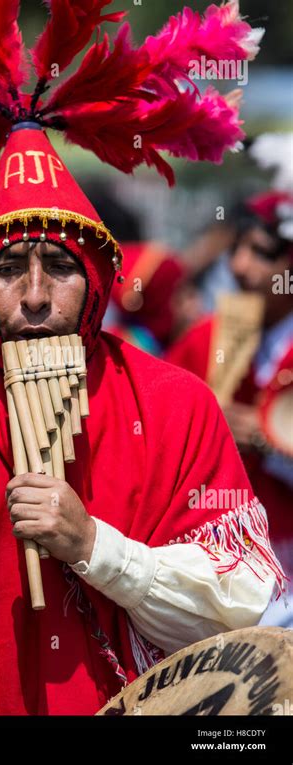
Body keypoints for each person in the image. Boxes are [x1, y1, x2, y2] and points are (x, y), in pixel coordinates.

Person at [0, 0, 283, 716]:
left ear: (97, 277)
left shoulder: (175, 403)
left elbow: (246, 603)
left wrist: (95, 545)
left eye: (58, 266)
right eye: (10, 270)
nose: (35, 296)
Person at [166, 190, 293, 625]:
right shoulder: (204, 338)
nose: (240, 267)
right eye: (237, 248)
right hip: (213, 557)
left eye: (262, 253)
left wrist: (270, 440)